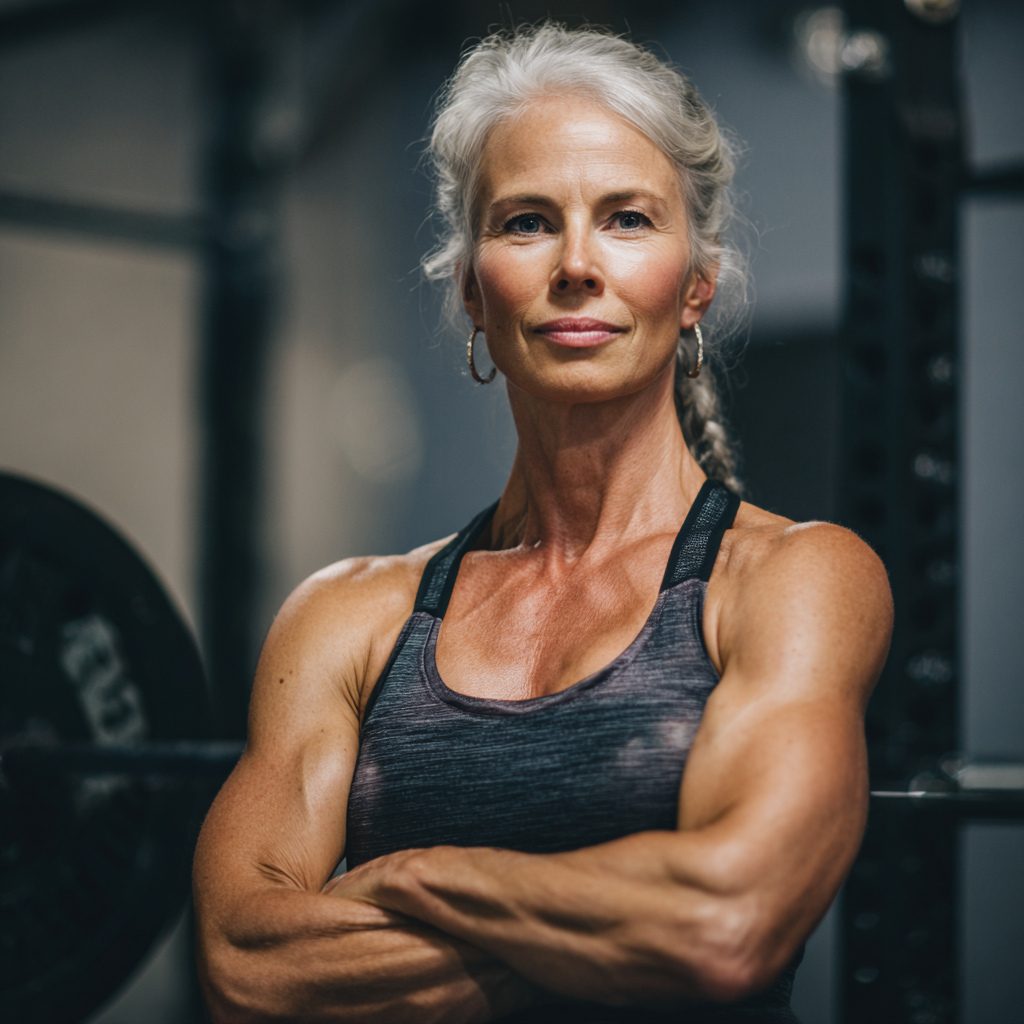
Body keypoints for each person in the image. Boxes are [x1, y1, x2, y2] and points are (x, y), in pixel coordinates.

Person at [193, 23, 893, 1024]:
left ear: (695, 283)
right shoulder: (349, 618)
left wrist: (413, 878)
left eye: (627, 220)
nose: (575, 263)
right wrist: (598, 938)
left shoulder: (791, 578)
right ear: (472, 288)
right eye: (525, 221)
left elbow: (722, 923)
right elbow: (244, 967)